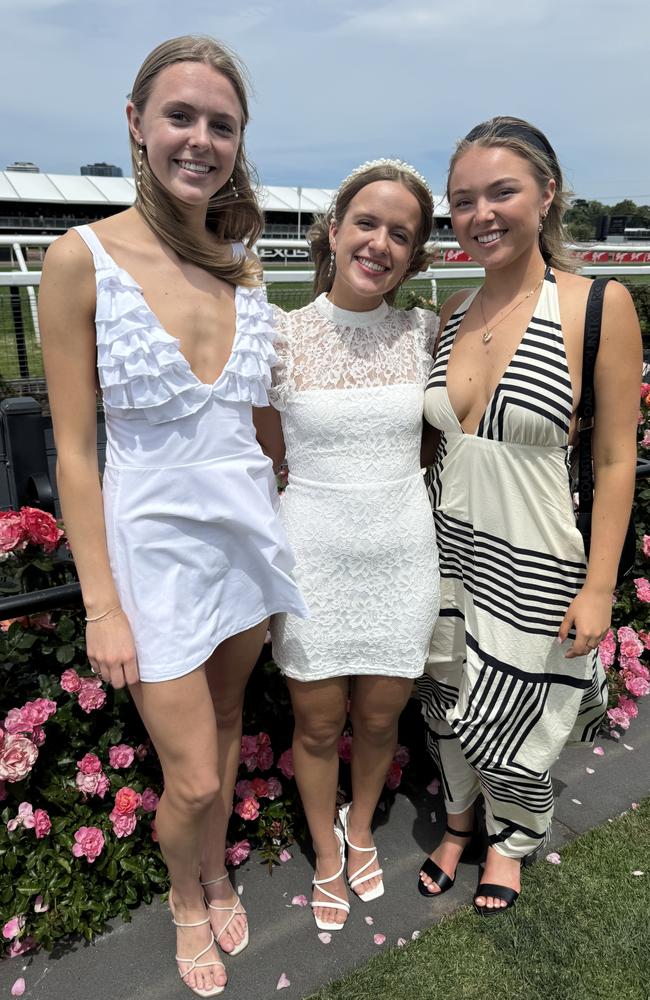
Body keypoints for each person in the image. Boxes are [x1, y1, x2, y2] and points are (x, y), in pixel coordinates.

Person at [39, 35, 307, 997]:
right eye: (181, 116)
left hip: (246, 538)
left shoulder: (241, 264)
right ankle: (185, 896)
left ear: (239, 140)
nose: (200, 138)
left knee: (231, 718)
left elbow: (263, 426)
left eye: (221, 124)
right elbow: (77, 449)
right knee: (191, 776)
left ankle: (214, 864)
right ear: (136, 123)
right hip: (151, 552)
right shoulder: (82, 260)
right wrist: (101, 605)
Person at [417, 116, 642, 915]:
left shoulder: (594, 307)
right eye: (463, 200)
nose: (481, 214)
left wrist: (599, 587)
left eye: (501, 191)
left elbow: (616, 459)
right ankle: (455, 823)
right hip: (448, 558)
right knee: (447, 704)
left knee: (519, 717)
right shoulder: (450, 317)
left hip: (538, 560)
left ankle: (513, 838)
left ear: (547, 194)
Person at [254, 159, 441, 931]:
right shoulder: (277, 337)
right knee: (318, 726)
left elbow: (430, 445)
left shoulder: (427, 331)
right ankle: (326, 856)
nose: (380, 243)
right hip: (315, 560)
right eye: (366, 223)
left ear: (416, 253)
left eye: (402, 233)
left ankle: (359, 828)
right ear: (332, 231)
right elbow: (272, 456)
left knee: (378, 722)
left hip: (402, 556)